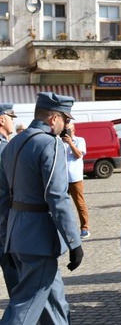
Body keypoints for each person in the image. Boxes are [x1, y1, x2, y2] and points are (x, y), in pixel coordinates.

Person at [0, 92, 84, 324]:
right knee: (27, 303)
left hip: (18, 235)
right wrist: (74, 241)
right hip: (39, 238)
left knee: (54, 302)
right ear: (54, 118)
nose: (67, 125)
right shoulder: (50, 144)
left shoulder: (13, 143)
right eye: (66, 120)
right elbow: (57, 197)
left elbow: (3, 196)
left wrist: (7, 234)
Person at [0, 103, 19, 293]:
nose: (14, 121)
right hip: (5, 227)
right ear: (1, 119)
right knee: (19, 290)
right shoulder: (5, 149)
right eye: (11, 117)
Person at [62, 122, 91, 239]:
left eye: (68, 130)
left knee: (80, 203)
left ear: (73, 130)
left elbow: (79, 155)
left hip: (75, 178)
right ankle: (65, 228)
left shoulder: (79, 140)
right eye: (64, 130)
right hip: (62, 178)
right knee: (62, 203)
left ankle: (85, 228)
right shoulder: (59, 142)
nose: (66, 132)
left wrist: (70, 143)